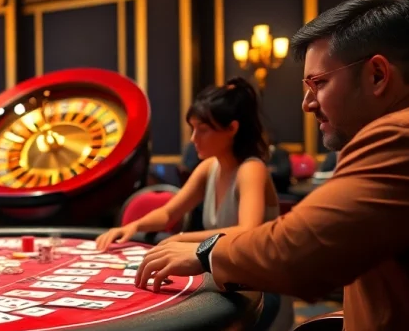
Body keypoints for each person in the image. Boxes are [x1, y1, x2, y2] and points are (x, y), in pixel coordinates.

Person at [81, 0, 409, 331]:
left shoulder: (401, 137)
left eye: (318, 83)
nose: (306, 102)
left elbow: (300, 251)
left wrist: (206, 251)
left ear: (378, 75)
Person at [96, 77, 279, 250]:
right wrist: (132, 227)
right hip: (225, 264)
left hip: (256, 270)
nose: (193, 138)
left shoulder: (251, 169)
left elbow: (247, 231)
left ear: (232, 128)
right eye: (193, 129)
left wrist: (182, 238)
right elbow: (168, 214)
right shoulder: (209, 167)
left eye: (203, 130)